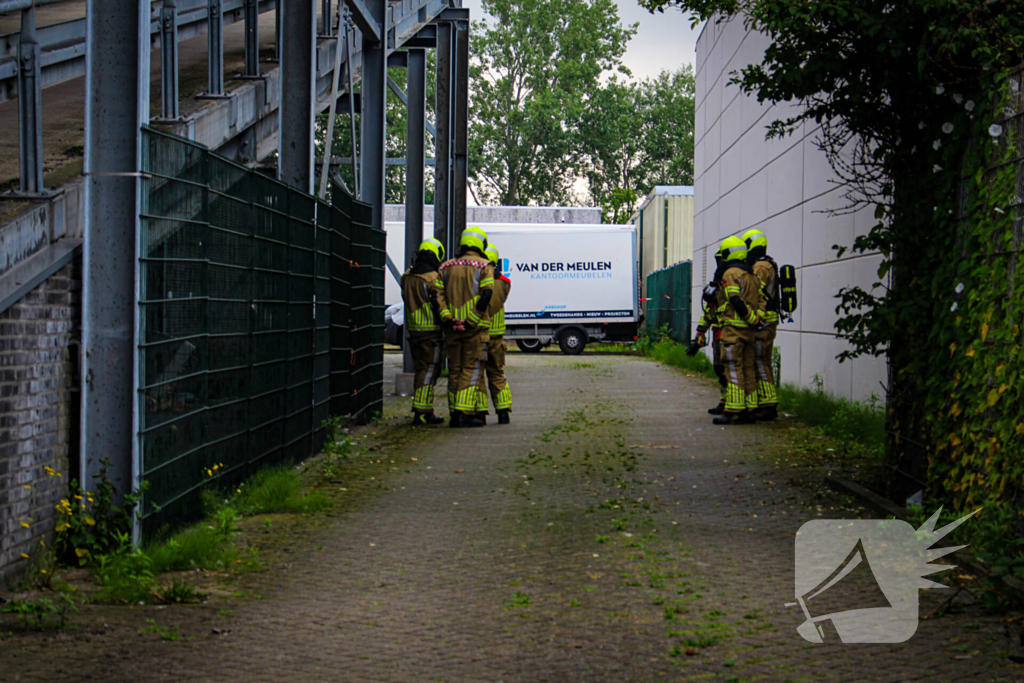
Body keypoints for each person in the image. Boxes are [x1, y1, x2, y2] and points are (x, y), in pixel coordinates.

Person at [434, 228, 495, 428]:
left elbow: (437, 297)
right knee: (471, 369)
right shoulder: (485, 266)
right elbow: (486, 295)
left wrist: (449, 319)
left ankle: (454, 411)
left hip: (451, 328)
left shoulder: (445, 267)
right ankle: (462, 412)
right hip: (473, 329)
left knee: (454, 370)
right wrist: (470, 320)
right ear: (480, 245)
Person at [713, 235, 766, 425]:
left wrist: (750, 317)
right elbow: (762, 298)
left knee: (733, 369)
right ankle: (750, 410)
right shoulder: (751, 274)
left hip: (734, 330)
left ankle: (732, 410)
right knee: (748, 369)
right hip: (750, 332)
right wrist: (757, 317)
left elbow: (734, 299)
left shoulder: (730, 273)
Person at [401, 238, 447, 426]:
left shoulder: (407, 276)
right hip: (431, 332)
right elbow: (438, 303)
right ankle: (421, 411)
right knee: (428, 372)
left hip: (413, 330)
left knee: (421, 369)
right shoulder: (433, 278)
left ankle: (426, 409)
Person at [743, 228, 780, 421]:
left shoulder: (761, 267)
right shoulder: (766, 264)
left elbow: (754, 292)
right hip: (767, 319)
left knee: (760, 360)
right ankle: (766, 401)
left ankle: (768, 404)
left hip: (764, 320)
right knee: (761, 360)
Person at [474, 244, 513, 424]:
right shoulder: (505, 282)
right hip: (497, 336)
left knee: (479, 373)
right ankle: (503, 410)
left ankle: (481, 412)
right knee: (497, 372)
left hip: (480, 334)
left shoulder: (478, 280)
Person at [688, 246, 729, 414]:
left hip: (730, 333)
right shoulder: (718, 282)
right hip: (718, 333)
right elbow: (709, 311)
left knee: (730, 370)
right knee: (720, 369)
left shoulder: (733, 281)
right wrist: (700, 333)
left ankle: (733, 404)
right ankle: (725, 400)